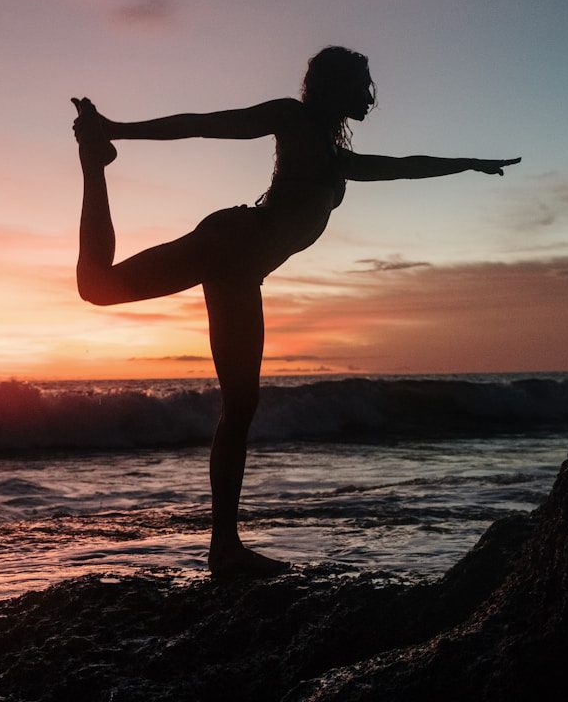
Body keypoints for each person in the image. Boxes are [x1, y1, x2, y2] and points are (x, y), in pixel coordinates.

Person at [71, 45, 519, 577]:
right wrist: (117, 128)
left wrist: (466, 164)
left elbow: (402, 167)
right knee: (98, 288)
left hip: (242, 272)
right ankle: (94, 162)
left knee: (240, 407)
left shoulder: (335, 157)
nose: (370, 95)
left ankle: (224, 549)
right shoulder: (292, 117)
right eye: (361, 84)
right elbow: (210, 124)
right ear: (332, 85)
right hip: (231, 242)